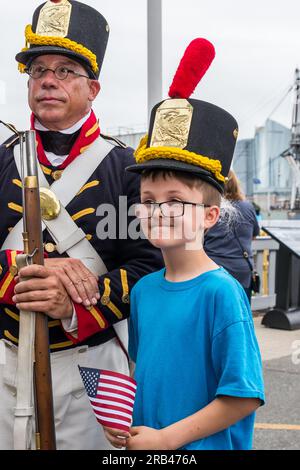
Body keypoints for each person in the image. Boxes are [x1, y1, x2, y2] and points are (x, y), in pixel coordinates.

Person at [0, 0, 162, 450]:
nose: (48, 79)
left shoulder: (128, 170)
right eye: (38, 70)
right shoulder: (2, 160)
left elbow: (149, 269)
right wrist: (24, 275)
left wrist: (73, 304)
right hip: (6, 358)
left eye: (65, 69)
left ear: (93, 88)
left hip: (90, 362)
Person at [102, 38, 264, 450]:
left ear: (210, 215)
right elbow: (145, 374)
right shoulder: (143, 291)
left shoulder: (221, 293)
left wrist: (166, 439)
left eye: (176, 201)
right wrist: (127, 422)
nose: (159, 211)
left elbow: (242, 396)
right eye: (149, 201)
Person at [204, 170, 260, 302]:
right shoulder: (248, 207)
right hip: (242, 270)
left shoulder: (211, 209)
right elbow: (254, 234)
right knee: (242, 310)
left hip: (214, 269)